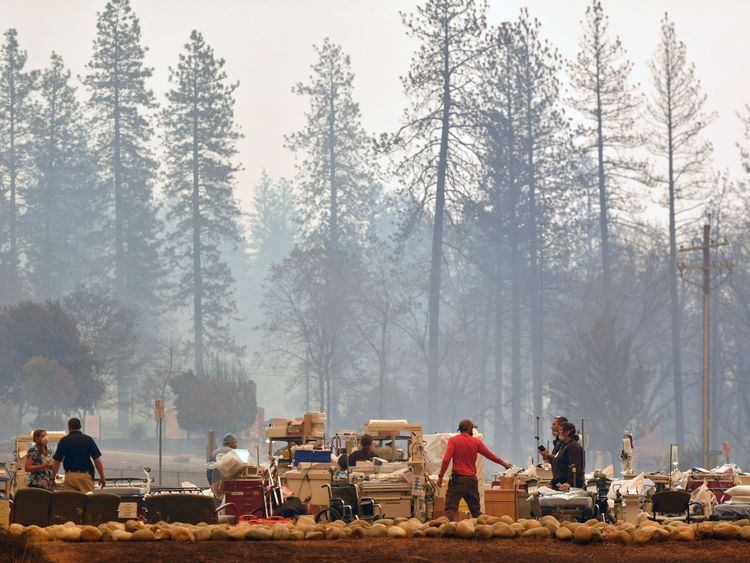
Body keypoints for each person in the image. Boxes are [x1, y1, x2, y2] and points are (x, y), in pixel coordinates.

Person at [437, 419, 512, 521]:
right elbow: (490, 455)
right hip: (471, 481)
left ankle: (443, 532)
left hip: (457, 481)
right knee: (476, 512)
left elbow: (446, 459)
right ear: (469, 429)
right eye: (472, 428)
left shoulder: (453, 441)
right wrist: (504, 464)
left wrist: (440, 476)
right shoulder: (476, 442)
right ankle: (488, 530)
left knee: (450, 510)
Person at [51, 418, 105, 492]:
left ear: (69, 426)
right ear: (80, 426)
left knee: (72, 501)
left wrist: (53, 478)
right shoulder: (88, 439)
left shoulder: (64, 440)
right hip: (85, 476)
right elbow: (97, 460)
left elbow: (57, 462)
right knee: (87, 501)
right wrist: (102, 477)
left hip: (70, 476)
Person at [550, 421, 585, 490]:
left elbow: (575, 466)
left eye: (561, 430)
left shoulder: (573, 446)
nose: (559, 432)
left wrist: (569, 482)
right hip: (560, 483)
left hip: (567, 486)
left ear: (567, 432)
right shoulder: (563, 446)